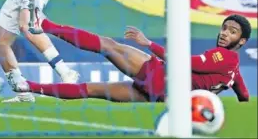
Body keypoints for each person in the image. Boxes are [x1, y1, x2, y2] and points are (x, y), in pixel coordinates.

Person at [13, 14, 250, 103]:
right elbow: (244, 94)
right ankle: (29, 86)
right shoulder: (234, 69)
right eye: (224, 28)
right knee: (94, 90)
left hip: (159, 75)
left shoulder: (223, 57)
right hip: (160, 96)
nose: (224, 33)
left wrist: (149, 44)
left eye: (232, 31)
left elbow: (185, 62)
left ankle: (44, 24)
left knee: (108, 45)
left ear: (241, 42)